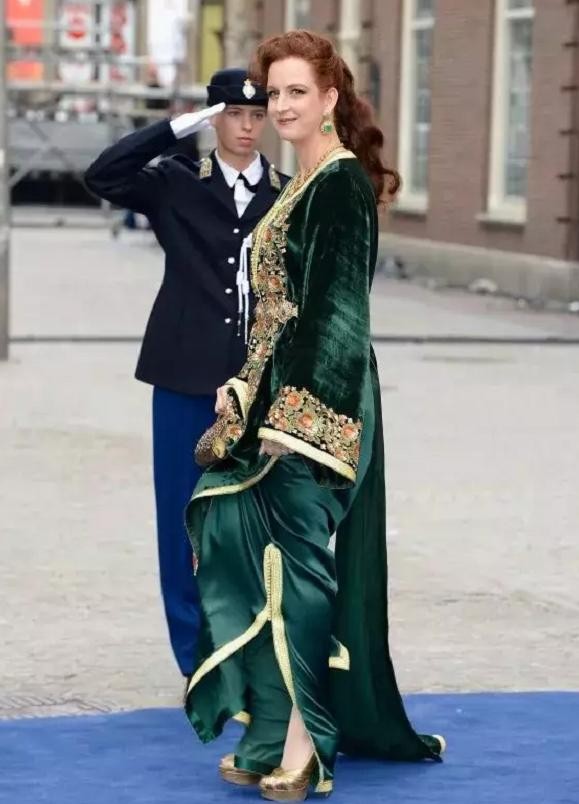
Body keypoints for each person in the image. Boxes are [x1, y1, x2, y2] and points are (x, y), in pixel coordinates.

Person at [183, 30, 445, 801]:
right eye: (274, 93)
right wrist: (241, 387)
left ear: (330, 98)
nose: (281, 105)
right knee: (245, 547)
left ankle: (306, 742)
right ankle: (269, 728)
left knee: (297, 568)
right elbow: (275, 313)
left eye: (297, 91)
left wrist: (289, 420)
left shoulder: (339, 183)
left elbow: (336, 315)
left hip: (320, 405)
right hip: (271, 398)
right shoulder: (299, 183)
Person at [84, 68, 289, 683]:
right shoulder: (175, 182)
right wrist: (174, 128)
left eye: (257, 116)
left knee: (252, 517)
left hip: (255, 383)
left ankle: (251, 643)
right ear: (214, 118)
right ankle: (196, 656)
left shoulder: (285, 192)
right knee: (181, 514)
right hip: (181, 375)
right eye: (234, 115)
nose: (247, 127)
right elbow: (102, 175)